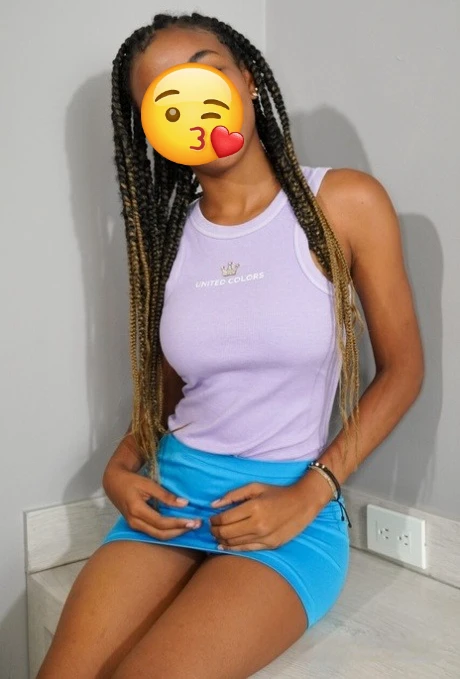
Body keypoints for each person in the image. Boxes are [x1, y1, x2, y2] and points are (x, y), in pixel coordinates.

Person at [37, 10, 424, 679]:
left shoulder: (344, 202)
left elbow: (404, 370)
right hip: (172, 496)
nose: (193, 104)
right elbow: (170, 393)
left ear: (247, 79)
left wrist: (313, 491)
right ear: (150, 128)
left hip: (288, 510)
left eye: (207, 74)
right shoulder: (167, 239)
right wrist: (119, 468)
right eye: (166, 98)